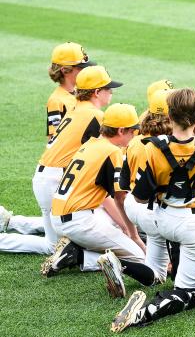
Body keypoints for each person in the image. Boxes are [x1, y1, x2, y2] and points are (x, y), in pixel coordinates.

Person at [102, 88, 195, 332]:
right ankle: (142, 314)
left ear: (169, 116)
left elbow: (138, 197)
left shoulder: (151, 147)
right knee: (187, 293)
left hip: (160, 220)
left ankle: (128, 264)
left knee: (136, 208)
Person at [0, 65, 116, 256]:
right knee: (54, 245)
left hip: (48, 176)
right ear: (97, 92)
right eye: (108, 88)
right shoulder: (95, 115)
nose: (111, 92)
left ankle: (12, 222)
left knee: (69, 222)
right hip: (54, 180)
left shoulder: (77, 108)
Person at [0, 42, 96, 239]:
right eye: (80, 67)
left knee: (64, 221)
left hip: (69, 167)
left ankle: (12, 222)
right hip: (60, 169)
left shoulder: (77, 96)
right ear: (66, 70)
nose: (85, 71)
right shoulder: (57, 99)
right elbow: (55, 137)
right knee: (59, 233)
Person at [41, 103, 145, 277]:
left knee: (116, 226)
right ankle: (79, 255)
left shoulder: (91, 143)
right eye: (132, 131)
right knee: (139, 258)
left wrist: (122, 227)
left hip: (62, 217)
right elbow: (120, 199)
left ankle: (75, 248)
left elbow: (105, 197)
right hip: (79, 223)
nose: (134, 135)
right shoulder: (112, 152)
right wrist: (133, 235)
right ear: (121, 131)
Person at [116, 89, 173, 286]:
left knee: (156, 273)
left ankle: (123, 265)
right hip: (154, 210)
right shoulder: (169, 145)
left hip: (133, 206)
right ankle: (122, 264)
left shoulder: (135, 139)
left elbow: (123, 186)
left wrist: (132, 232)